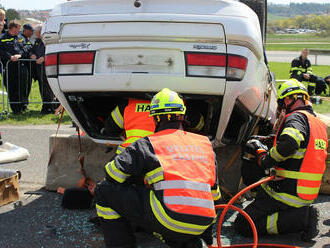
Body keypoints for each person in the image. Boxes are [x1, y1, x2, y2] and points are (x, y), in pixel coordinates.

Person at [94, 88, 221, 248]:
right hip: (203, 223)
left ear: (154, 119)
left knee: (103, 190)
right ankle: (188, 242)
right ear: (183, 116)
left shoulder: (148, 143)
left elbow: (112, 174)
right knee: (167, 208)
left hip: (169, 219)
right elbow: (215, 196)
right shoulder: (205, 144)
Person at [235, 79, 328, 242]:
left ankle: (302, 219)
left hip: (285, 193)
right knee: (262, 196)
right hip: (305, 192)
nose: (282, 109)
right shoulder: (317, 124)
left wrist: (266, 159)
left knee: (243, 224)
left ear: (288, 99)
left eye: (283, 104)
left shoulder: (296, 118)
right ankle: (297, 216)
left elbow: (290, 142)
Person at [0, 20, 28, 114]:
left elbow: (26, 48)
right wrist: (10, 57)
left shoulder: (21, 38)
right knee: (12, 88)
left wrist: (20, 55)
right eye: (18, 28)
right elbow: (1, 51)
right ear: (13, 28)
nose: (19, 31)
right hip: (9, 66)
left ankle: (23, 107)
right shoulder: (3, 38)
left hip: (21, 65)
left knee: (22, 87)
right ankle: (15, 109)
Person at [30, 24, 57, 114]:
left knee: (49, 88)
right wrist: (32, 55)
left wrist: (44, 58)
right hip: (39, 69)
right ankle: (45, 106)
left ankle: (51, 107)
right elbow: (32, 50)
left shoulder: (48, 40)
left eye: (37, 33)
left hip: (48, 67)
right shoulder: (38, 41)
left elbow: (53, 51)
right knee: (42, 88)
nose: (36, 34)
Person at [18, 23, 34, 110]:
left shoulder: (27, 38)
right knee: (23, 86)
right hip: (22, 65)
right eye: (31, 31)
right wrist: (30, 52)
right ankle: (22, 105)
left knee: (27, 85)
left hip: (28, 66)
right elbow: (23, 49)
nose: (32, 33)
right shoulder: (20, 38)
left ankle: (25, 104)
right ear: (26, 31)